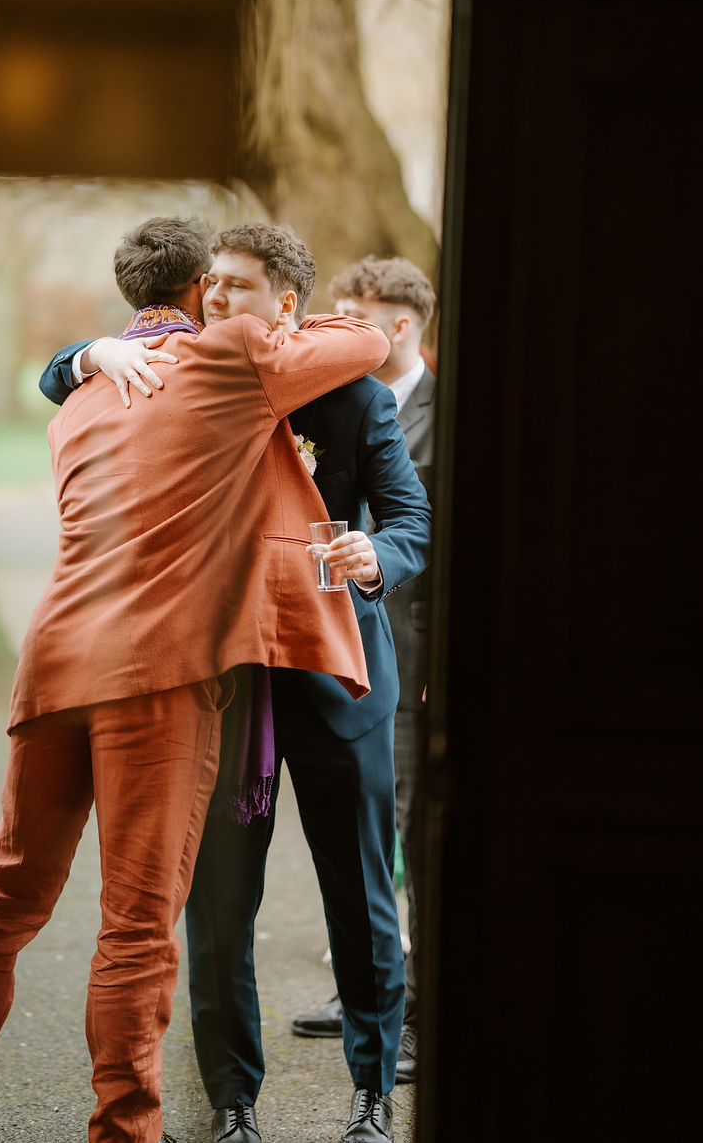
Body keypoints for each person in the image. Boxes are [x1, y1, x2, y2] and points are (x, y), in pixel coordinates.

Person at [0, 216, 391, 1143]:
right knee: (137, 922)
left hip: (55, 664)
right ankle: (126, 1129)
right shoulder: (232, 358)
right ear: (204, 287)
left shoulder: (80, 396)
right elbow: (365, 338)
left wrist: (83, 353)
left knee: (7, 888)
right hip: (158, 676)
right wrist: (260, 320)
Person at [42, 223, 432, 1143]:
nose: (214, 300)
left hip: (343, 676)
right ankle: (232, 1103)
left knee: (363, 893)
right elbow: (66, 377)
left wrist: (376, 552)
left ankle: (373, 1096)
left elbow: (412, 516)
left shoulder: (353, 398)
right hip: (225, 680)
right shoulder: (182, 379)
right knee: (221, 902)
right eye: (209, 285)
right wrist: (84, 350)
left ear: (286, 306)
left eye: (238, 287)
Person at [291, 256, 436, 1090]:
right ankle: (373, 1001)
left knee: (414, 840)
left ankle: (414, 1012)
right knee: (371, 843)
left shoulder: (443, 410)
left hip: (417, 663)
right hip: (357, 655)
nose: (337, 330)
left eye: (356, 315)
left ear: (400, 325)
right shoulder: (336, 400)